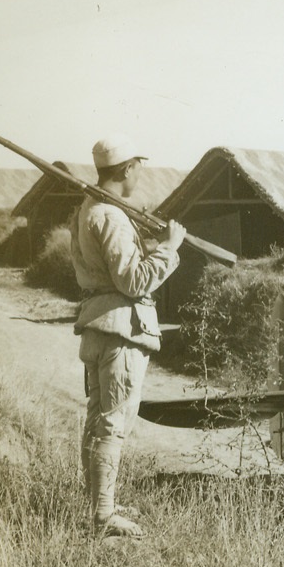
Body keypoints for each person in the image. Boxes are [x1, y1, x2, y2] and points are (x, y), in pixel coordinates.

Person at [71, 134, 186, 538]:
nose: (140, 172)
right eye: (138, 165)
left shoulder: (89, 209)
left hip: (100, 325)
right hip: (121, 330)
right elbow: (134, 281)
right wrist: (169, 248)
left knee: (98, 421)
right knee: (112, 425)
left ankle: (99, 505)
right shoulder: (112, 216)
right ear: (126, 170)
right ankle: (103, 517)